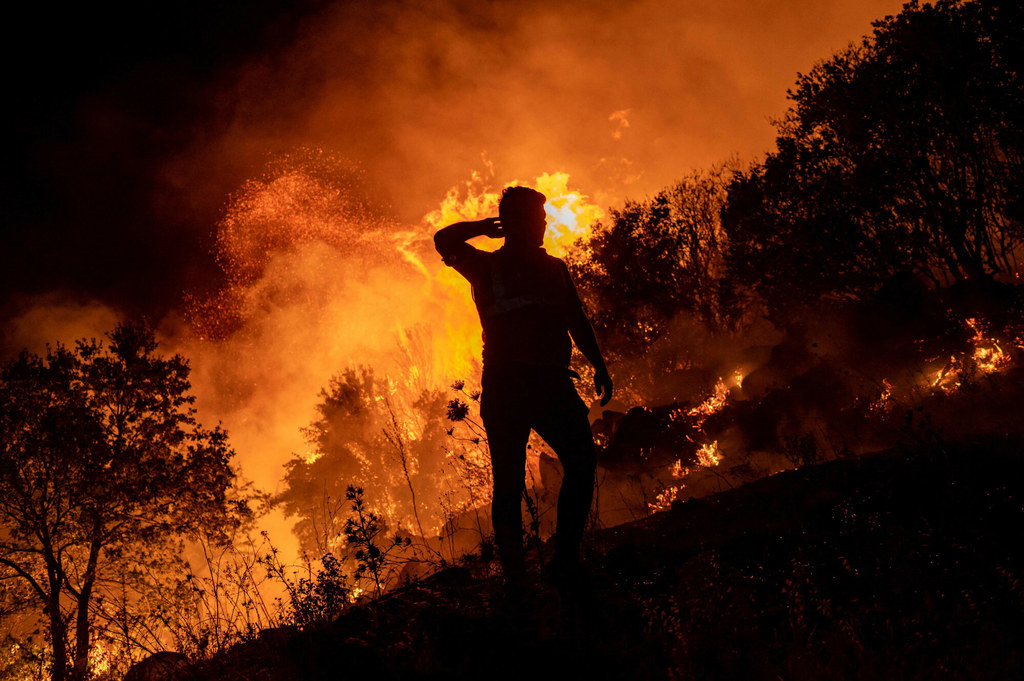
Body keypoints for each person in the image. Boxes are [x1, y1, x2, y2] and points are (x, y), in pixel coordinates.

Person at [434, 186, 613, 588]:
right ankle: (516, 576)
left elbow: (575, 318)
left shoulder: (555, 269)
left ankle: (565, 560)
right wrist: (482, 227)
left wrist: (599, 365)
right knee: (509, 481)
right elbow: (443, 241)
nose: (544, 224)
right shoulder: (484, 267)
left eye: (543, 217)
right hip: (508, 384)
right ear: (514, 223)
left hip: (551, 383)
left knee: (582, 464)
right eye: (536, 218)